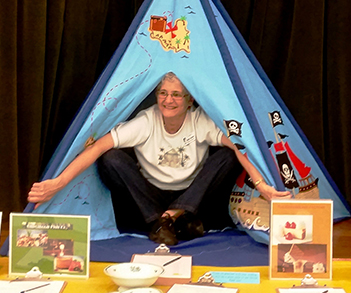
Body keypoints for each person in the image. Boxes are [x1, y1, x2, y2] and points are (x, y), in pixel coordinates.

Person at [28, 72, 291, 245]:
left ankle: (171, 217)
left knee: (227, 154)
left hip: (192, 195)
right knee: (111, 158)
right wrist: (58, 183)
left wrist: (261, 185)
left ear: (189, 100)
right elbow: (97, 148)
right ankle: (164, 219)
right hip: (150, 196)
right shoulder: (147, 121)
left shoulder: (200, 120)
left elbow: (238, 147)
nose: (169, 100)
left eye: (177, 94)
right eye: (163, 93)